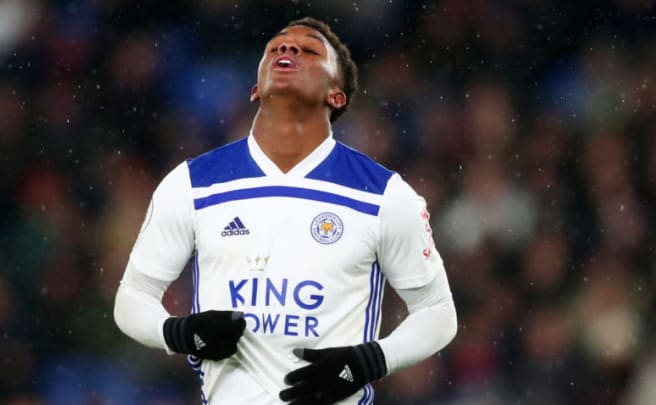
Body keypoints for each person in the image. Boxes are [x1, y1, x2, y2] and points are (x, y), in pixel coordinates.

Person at [113, 16, 457, 405]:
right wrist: (182, 333)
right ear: (256, 88)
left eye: (309, 50)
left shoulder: (384, 195)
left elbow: (437, 312)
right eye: (275, 47)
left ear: (336, 94)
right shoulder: (192, 183)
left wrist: (368, 361)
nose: (288, 49)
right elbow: (133, 298)